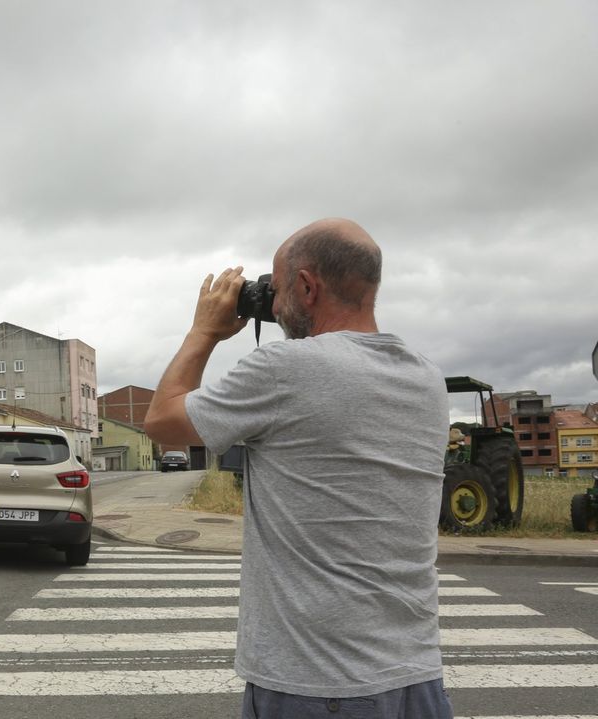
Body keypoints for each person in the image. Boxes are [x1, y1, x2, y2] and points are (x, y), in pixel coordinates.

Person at [144, 218, 453, 718]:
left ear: (307, 286)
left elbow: (161, 419)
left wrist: (204, 330)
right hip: (416, 680)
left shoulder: (286, 369)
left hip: (317, 685)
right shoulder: (425, 376)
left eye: (278, 286)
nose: (274, 300)